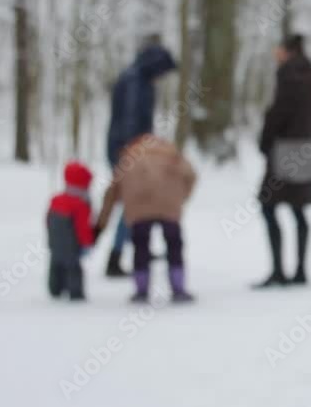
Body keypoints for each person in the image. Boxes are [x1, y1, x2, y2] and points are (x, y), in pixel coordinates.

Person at [103, 36, 177, 277]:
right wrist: (134, 150)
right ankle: (115, 258)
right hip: (127, 151)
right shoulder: (136, 81)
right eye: (162, 72)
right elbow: (131, 119)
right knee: (134, 204)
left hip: (129, 148)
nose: (161, 77)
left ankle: (136, 247)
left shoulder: (136, 77)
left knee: (137, 203)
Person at [254, 34, 311, 289]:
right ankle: (301, 270)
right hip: (304, 146)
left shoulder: (287, 74)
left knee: (268, 206)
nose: (276, 53)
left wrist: (265, 141)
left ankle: (278, 271)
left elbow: (278, 112)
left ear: (288, 50)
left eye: (279, 49)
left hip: (284, 147)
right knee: (298, 209)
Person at [97, 135, 197, 303]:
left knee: (141, 246)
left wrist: (101, 224)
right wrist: (181, 197)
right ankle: (178, 287)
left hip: (139, 208)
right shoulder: (171, 153)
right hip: (169, 206)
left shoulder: (130, 156)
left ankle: (141, 290)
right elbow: (191, 175)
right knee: (174, 244)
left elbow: (112, 191)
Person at [46, 161, 96, 301]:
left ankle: (55, 289)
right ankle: (75, 292)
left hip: (55, 242)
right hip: (71, 244)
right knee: (73, 268)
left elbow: (48, 220)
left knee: (55, 265)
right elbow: (83, 227)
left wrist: (50, 237)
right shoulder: (80, 203)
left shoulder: (56, 199)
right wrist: (87, 243)